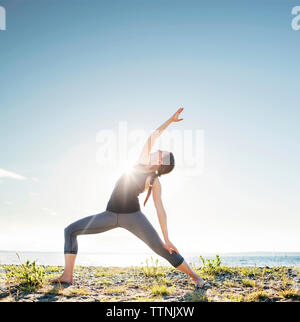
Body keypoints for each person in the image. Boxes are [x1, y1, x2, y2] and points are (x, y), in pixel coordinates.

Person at [50, 107, 208, 289]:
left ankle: (196, 277)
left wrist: (167, 239)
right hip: (109, 215)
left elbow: (160, 210)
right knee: (70, 230)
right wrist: (170, 121)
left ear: (159, 162)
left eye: (160, 152)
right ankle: (67, 276)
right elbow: (152, 137)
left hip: (133, 218)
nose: (157, 150)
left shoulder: (154, 181)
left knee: (163, 249)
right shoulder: (139, 163)